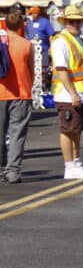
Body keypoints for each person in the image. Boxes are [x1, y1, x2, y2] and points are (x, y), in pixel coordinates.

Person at [50, 4, 83, 180]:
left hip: (79, 93)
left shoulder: (75, 40)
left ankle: (76, 161)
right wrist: (73, 93)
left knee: (76, 129)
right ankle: (69, 165)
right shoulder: (62, 41)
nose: (76, 25)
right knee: (68, 130)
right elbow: (62, 69)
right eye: (72, 22)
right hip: (68, 94)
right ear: (65, 22)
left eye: (78, 22)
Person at [0, 10, 34, 183]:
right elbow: (31, 71)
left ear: (5, 24)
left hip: (1, 93)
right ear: (21, 25)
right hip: (21, 93)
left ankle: (1, 169)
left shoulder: (1, 43)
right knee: (17, 134)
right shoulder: (26, 45)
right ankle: (13, 171)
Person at [25, 5, 54, 80]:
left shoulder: (45, 22)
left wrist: (51, 47)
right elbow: (27, 34)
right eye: (30, 13)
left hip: (43, 50)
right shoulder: (29, 22)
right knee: (33, 68)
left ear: (37, 13)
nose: (32, 15)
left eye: (33, 13)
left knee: (43, 68)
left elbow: (51, 35)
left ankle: (44, 84)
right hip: (31, 50)